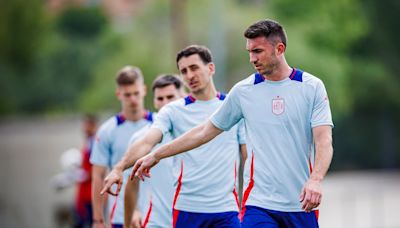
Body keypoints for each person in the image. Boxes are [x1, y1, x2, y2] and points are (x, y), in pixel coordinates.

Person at [132, 19, 334, 228]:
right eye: (249, 51)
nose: (252, 58)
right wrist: (156, 154)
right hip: (258, 203)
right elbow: (203, 131)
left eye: (257, 51)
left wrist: (316, 179)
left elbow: (324, 140)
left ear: (279, 49)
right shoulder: (243, 91)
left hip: (300, 204)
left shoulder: (312, 87)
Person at [101, 45, 247, 227]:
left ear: (211, 68)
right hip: (187, 210)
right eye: (183, 71)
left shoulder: (231, 107)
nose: (189, 75)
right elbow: (147, 141)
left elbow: (247, 157)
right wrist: (119, 168)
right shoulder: (173, 111)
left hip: (226, 210)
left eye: (194, 68)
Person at [90, 66, 153, 228]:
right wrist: (97, 219)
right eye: (127, 94)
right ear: (119, 94)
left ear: (144, 90)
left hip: (156, 214)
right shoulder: (107, 131)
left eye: (136, 93)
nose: (133, 99)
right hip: (120, 216)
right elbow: (98, 176)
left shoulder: (159, 125)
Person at [123, 74, 185, 228]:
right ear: (154, 101)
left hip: (190, 219)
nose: (165, 103)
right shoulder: (140, 138)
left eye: (170, 97)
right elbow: (131, 184)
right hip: (154, 222)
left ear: (182, 96)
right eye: (160, 98)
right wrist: (135, 212)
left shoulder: (196, 134)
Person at [74, 114, 98, 227]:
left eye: (87, 125)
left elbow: (97, 166)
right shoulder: (88, 141)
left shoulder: (94, 142)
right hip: (84, 190)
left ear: (94, 125)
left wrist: (82, 175)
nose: (84, 127)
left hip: (91, 192)